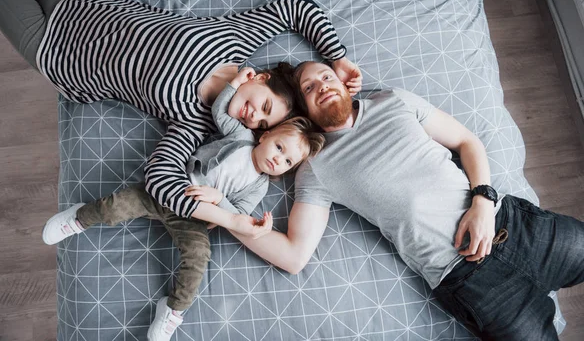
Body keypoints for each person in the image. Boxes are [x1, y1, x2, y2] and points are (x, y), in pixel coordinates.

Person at [0, 0, 362, 221]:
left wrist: (224, 213)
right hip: (83, 2)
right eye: (263, 106)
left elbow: (160, 180)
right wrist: (338, 58)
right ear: (258, 77)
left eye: (260, 125)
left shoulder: (196, 122)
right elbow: (297, 9)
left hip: (58, 51)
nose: (252, 118)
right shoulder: (234, 39)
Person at [231, 61, 584, 340]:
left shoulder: (393, 100)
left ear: (341, 81)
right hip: (470, 278)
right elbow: (294, 256)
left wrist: (483, 202)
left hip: (512, 223)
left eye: (325, 76)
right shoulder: (315, 168)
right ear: (303, 111)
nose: (322, 85)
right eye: (309, 87)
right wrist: (226, 216)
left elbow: (467, 142)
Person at [41, 67, 326, 341]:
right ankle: (78, 217)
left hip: (192, 219)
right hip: (171, 186)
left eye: (287, 162)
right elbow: (220, 110)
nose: (278, 159)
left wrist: (220, 199)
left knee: (198, 258)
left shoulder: (258, 185)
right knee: (115, 206)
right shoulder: (240, 137)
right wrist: (236, 83)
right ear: (264, 135)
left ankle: (173, 309)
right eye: (279, 147)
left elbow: (238, 215)